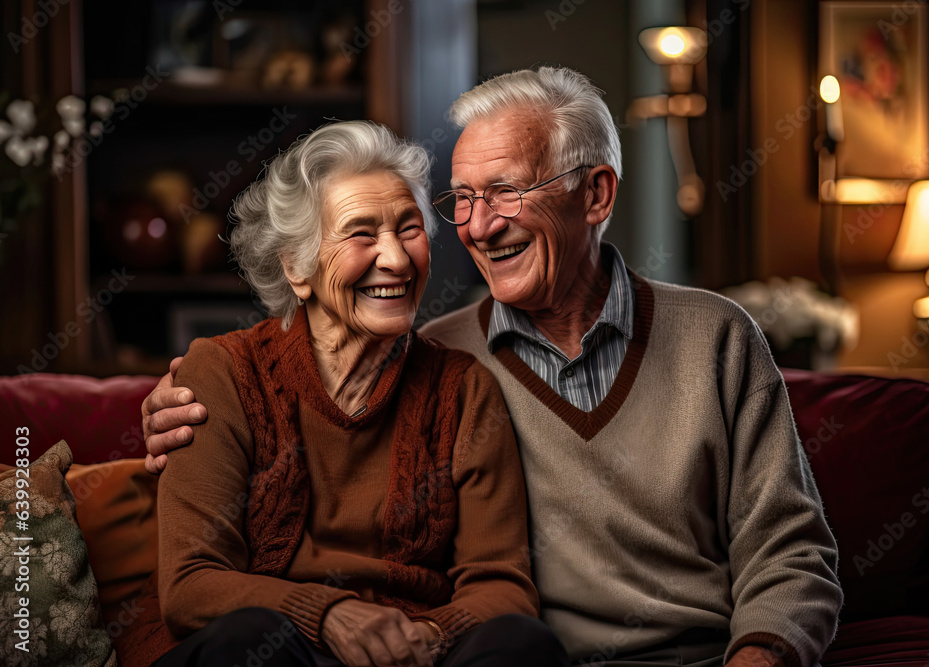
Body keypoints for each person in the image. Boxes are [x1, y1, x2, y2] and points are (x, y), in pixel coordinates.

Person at [142, 67, 844, 667]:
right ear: (296, 266)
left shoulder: (714, 338)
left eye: (505, 191)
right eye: (463, 200)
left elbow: (789, 550)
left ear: (596, 194)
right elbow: (199, 574)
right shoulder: (441, 352)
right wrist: (176, 402)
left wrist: (757, 657)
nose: (477, 226)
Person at [124, 120, 569, 667]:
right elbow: (192, 586)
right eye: (361, 233)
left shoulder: (463, 389)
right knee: (248, 645)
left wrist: (428, 634)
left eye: (409, 229)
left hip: (409, 653)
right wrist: (327, 614)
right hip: (273, 646)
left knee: (524, 646)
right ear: (297, 267)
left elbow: (503, 586)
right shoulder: (223, 372)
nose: (397, 260)